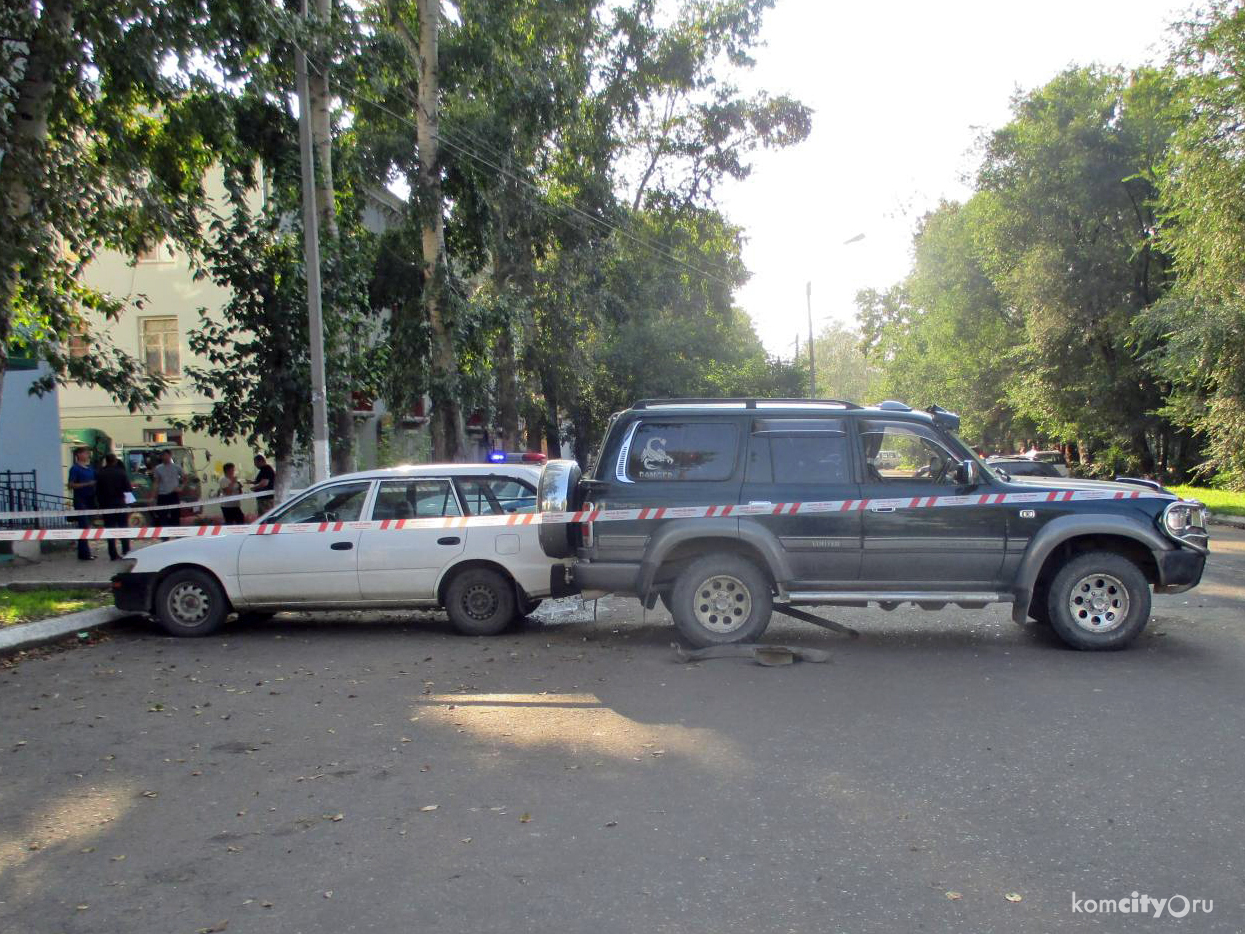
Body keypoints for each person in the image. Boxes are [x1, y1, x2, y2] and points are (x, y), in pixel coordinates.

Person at [95, 453, 134, 560]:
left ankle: (112, 553)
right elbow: (128, 489)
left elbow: (98, 491)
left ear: (106, 461)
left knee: (110, 529)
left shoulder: (100, 473)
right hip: (120, 503)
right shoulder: (121, 473)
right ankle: (126, 551)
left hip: (106, 505)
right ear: (115, 461)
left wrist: (99, 504)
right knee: (123, 528)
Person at [67, 447, 97, 561]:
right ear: (79, 455)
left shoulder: (90, 469)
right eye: (85, 453)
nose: (88, 455)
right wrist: (87, 484)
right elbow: (71, 485)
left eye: (88, 453)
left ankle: (84, 552)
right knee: (83, 526)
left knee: (87, 526)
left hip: (90, 499)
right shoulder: (75, 469)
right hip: (81, 500)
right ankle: (84, 553)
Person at [152, 449, 184, 533]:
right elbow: (156, 482)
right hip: (162, 495)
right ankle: (164, 536)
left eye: (167, 455)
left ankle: (177, 535)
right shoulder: (158, 468)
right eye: (163, 455)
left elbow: (185, 478)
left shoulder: (177, 467)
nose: (165, 457)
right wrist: (153, 497)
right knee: (162, 517)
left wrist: (181, 487)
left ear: (170, 455)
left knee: (175, 516)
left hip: (173, 494)